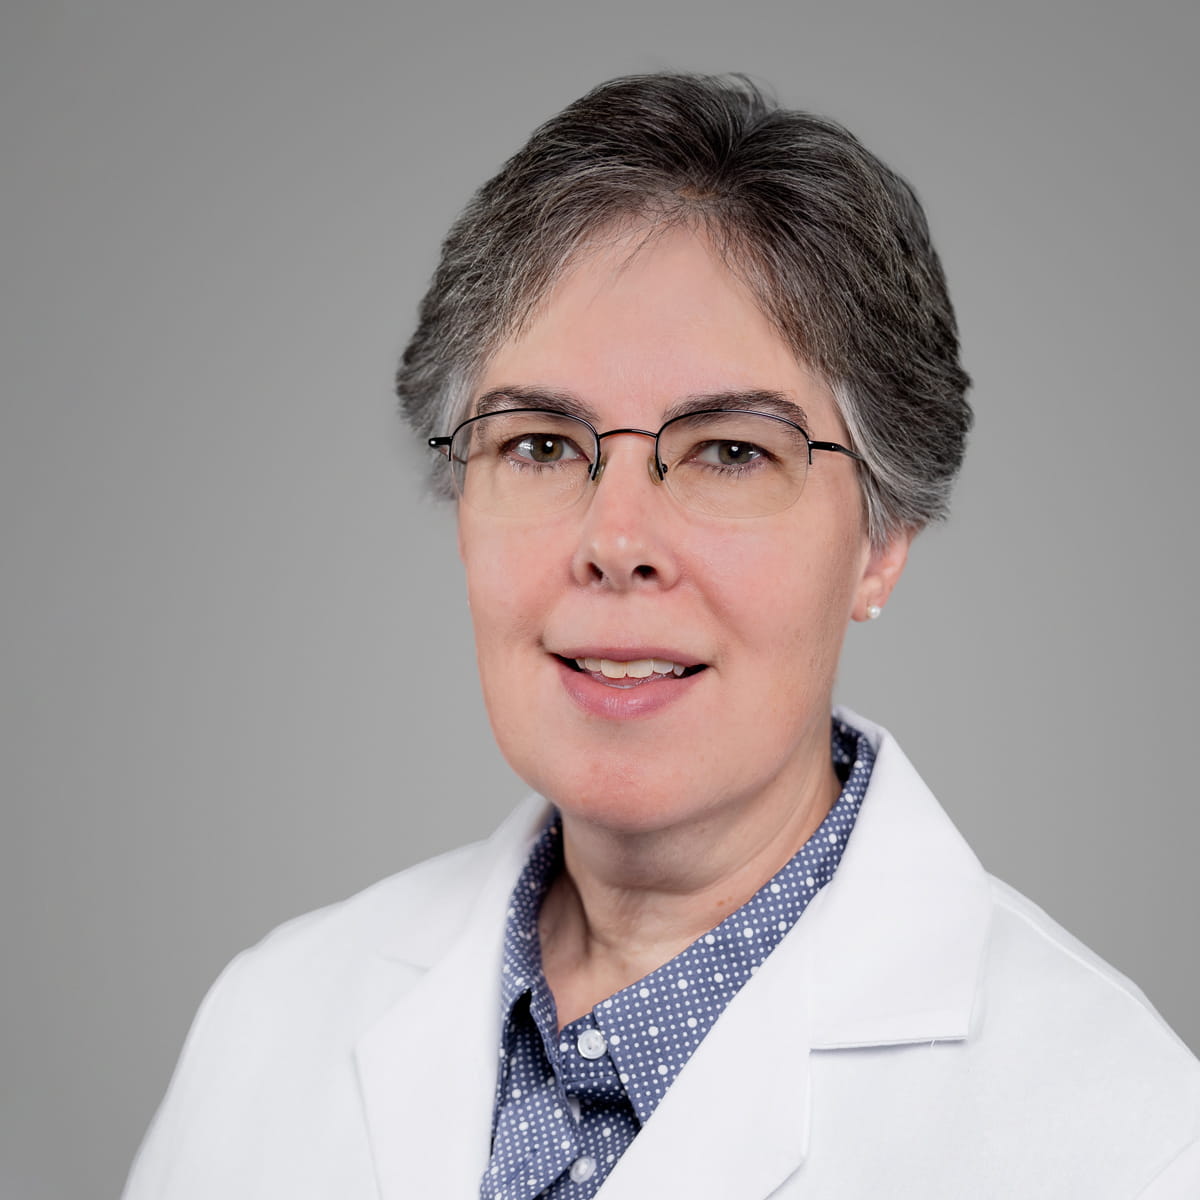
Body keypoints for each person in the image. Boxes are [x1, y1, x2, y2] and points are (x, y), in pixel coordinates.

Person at [123, 73, 1200, 1199]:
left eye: (731, 452)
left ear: (881, 541)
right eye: (541, 445)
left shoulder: (1126, 1142)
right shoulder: (273, 1020)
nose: (616, 542)